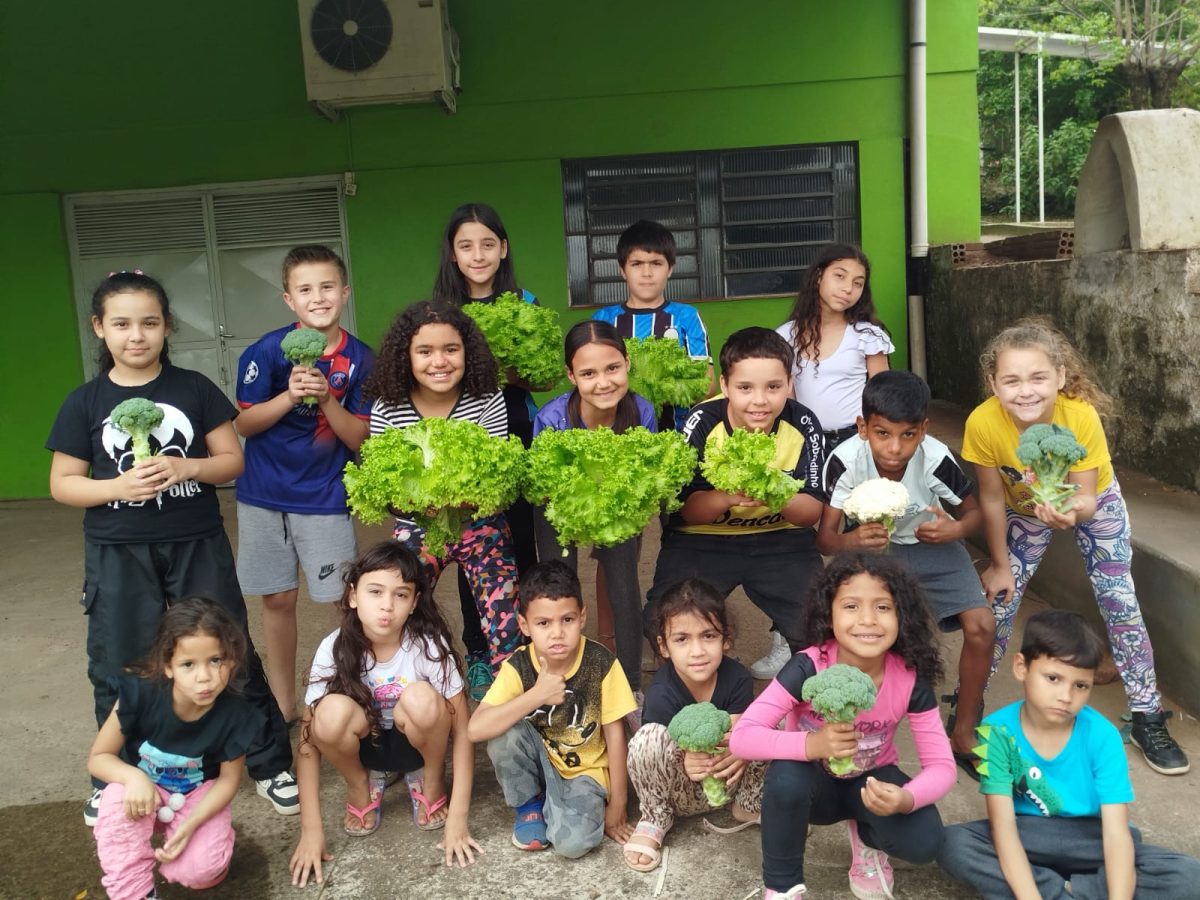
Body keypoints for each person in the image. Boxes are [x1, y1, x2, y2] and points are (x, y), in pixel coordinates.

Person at [46, 271, 295, 827]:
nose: (137, 335)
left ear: (166, 327)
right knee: (119, 663)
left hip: (194, 540)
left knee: (230, 651)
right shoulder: (84, 402)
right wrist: (116, 487)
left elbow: (232, 461)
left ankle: (267, 761)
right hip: (117, 548)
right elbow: (63, 483)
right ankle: (113, 775)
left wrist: (187, 467)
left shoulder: (195, 389)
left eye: (149, 323)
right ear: (99, 329)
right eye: (122, 324)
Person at [963, 318, 1188, 775]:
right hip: (1023, 511)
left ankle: (1147, 714)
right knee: (999, 604)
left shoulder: (1079, 415)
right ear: (993, 384)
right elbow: (989, 497)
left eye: (1038, 378)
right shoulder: (982, 423)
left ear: (1061, 378)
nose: (1025, 391)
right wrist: (1000, 565)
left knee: (1119, 600)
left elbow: (1086, 494)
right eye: (1011, 380)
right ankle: (969, 709)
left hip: (1093, 503)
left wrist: (1072, 512)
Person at [730, 552, 954, 900]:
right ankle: (782, 885)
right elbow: (743, 737)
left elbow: (942, 766)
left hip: (872, 783)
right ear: (828, 614)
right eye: (851, 606)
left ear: (902, 616)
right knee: (786, 779)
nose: (868, 620)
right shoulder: (808, 666)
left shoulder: (910, 678)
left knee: (925, 843)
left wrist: (906, 798)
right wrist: (812, 746)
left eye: (883, 607)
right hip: (812, 785)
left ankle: (867, 839)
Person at [938, 609, 1200, 899]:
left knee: (1189, 876)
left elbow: (1115, 835)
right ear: (1021, 667)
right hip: (1028, 836)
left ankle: (1069, 889)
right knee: (952, 844)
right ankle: (1064, 890)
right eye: (1053, 678)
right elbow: (1004, 829)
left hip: (1091, 839)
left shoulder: (1103, 736)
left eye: (1080, 685)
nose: (1066, 696)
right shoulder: (996, 731)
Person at [818, 370, 993, 777]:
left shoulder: (935, 458)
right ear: (863, 427)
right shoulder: (844, 460)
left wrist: (955, 529)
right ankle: (854, 732)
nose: (895, 448)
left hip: (935, 545)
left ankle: (964, 731)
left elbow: (974, 513)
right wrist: (852, 541)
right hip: (872, 552)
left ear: (924, 430)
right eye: (882, 433)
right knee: (867, 638)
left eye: (908, 435)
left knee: (982, 624)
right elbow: (825, 540)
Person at [233, 244, 373, 727]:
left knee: (345, 601)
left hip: (324, 496)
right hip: (263, 495)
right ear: (289, 299)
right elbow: (244, 426)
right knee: (277, 598)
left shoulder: (361, 360)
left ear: (345, 292)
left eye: (328, 287)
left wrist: (327, 397)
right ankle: (283, 705)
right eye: (306, 290)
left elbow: (359, 438)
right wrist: (287, 395)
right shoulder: (267, 351)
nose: (318, 298)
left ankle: (355, 691)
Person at [289, 541, 480, 888]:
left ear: (414, 603)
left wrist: (459, 818)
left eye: (401, 595)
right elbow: (307, 741)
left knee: (422, 698)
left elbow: (464, 729)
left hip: (418, 742)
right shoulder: (334, 647)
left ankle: (432, 780)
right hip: (366, 748)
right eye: (375, 591)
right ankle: (360, 784)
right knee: (327, 715)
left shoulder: (427, 645)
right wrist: (311, 830)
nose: (387, 606)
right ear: (353, 596)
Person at [642, 326, 825, 679]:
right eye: (745, 388)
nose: (760, 401)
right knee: (660, 619)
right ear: (725, 385)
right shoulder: (701, 422)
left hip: (781, 540)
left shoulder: (803, 423)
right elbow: (683, 511)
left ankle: (801, 691)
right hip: (704, 540)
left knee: (822, 626)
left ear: (789, 383)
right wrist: (727, 496)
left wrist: (775, 494)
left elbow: (810, 513)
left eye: (773, 387)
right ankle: (709, 683)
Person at [364, 300, 522, 690]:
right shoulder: (389, 407)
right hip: (417, 523)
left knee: (505, 615)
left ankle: (511, 694)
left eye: (451, 349)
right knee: (395, 603)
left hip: (479, 522)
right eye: (425, 351)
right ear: (406, 357)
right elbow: (387, 490)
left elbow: (496, 485)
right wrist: (423, 502)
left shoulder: (486, 400)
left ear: (468, 353)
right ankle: (402, 686)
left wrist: (460, 500)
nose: (440, 361)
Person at [767, 243, 893, 680]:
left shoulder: (868, 336)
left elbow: (884, 398)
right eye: (840, 276)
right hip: (807, 444)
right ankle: (788, 636)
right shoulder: (786, 335)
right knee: (801, 535)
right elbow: (785, 398)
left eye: (858, 282)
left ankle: (860, 637)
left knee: (855, 540)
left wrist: (877, 448)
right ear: (818, 276)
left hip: (856, 446)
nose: (848, 288)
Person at [431, 203, 542, 690]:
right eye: (466, 245)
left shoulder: (527, 301)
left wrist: (504, 370)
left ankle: (528, 640)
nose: (478, 255)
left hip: (515, 425)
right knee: (471, 538)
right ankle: (479, 651)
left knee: (520, 540)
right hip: (463, 433)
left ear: (504, 249)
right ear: (453, 255)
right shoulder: (441, 311)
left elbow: (544, 373)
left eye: (487, 244)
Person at [88, 599, 263, 900]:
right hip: (143, 795)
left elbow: (228, 780)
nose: (204, 676)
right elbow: (98, 758)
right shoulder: (140, 693)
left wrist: (193, 825)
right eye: (188, 664)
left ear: (232, 660)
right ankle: (136, 892)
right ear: (167, 667)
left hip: (196, 795)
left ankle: (204, 852)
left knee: (200, 872)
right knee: (116, 800)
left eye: (216, 660)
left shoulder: (237, 713)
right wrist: (135, 778)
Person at [467, 561, 637, 859]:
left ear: (582, 617)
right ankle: (530, 805)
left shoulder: (601, 663)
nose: (557, 633)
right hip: (541, 759)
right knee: (503, 732)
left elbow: (615, 735)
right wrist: (537, 695)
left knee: (572, 845)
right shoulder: (519, 665)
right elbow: (476, 729)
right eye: (544, 623)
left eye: (567, 620)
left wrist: (618, 804)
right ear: (525, 625)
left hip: (586, 773)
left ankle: (558, 806)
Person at [532, 320, 658, 695]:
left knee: (623, 584)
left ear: (627, 363)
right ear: (571, 375)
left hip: (618, 505)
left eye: (612, 368)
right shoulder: (552, 418)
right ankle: (560, 678)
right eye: (588, 373)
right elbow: (543, 487)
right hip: (559, 506)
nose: (603, 382)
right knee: (557, 586)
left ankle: (631, 685)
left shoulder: (641, 411)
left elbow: (647, 478)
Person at [623, 578, 765, 873]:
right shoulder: (663, 691)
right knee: (647, 739)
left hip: (728, 780)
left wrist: (741, 748)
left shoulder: (737, 677)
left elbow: (741, 729)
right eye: (682, 639)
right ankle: (654, 818)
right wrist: (683, 759)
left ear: (726, 639)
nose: (697, 651)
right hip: (679, 792)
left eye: (708, 636)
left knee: (766, 721)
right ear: (663, 646)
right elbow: (657, 755)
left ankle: (748, 805)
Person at [591, 218, 712, 432]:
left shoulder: (687, 317)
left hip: (677, 438)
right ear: (622, 270)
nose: (647, 273)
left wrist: (652, 390)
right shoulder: (604, 319)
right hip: (617, 437)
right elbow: (591, 380)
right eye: (636, 264)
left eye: (656, 263)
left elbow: (708, 386)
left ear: (670, 269)